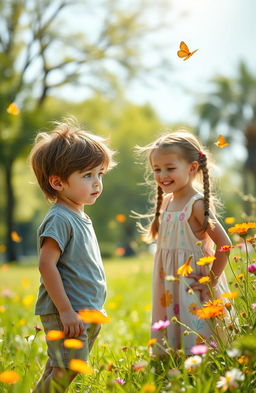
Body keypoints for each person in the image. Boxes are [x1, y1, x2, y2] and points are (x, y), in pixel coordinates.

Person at [29, 118, 115, 393]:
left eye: (100, 174)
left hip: (82, 311)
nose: (97, 183)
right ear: (57, 182)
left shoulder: (79, 215)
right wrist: (66, 311)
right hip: (67, 311)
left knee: (61, 368)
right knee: (65, 371)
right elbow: (46, 265)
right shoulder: (60, 218)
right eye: (87, 175)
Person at [136, 131, 232, 355]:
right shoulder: (167, 202)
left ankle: (200, 367)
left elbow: (225, 244)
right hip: (169, 283)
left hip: (192, 282)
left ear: (192, 168)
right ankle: (172, 359)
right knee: (174, 327)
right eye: (157, 169)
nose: (162, 175)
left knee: (197, 330)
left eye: (170, 168)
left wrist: (212, 281)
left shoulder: (196, 205)